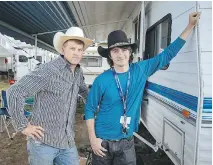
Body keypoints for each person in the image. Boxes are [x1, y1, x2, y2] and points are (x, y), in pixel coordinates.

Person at [84, 12, 201, 165]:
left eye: (124, 49)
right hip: (102, 141)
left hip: (126, 142)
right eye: (115, 51)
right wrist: (93, 139)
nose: (120, 54)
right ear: (110, 56)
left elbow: (167, 54)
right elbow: (89, 109)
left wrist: (190, 26)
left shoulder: (141, 70)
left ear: (130, 52)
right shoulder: (102, 80)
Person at [7, 27, 93, 165]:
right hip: (43, 142)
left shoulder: (78, 72)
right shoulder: (49, 70)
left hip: (66, 140)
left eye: (79, 49)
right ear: (63, 49)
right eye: (72, 48)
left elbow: (83, 90)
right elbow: (15, 92)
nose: (76, 53)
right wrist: (23, 126)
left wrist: (94, 105)